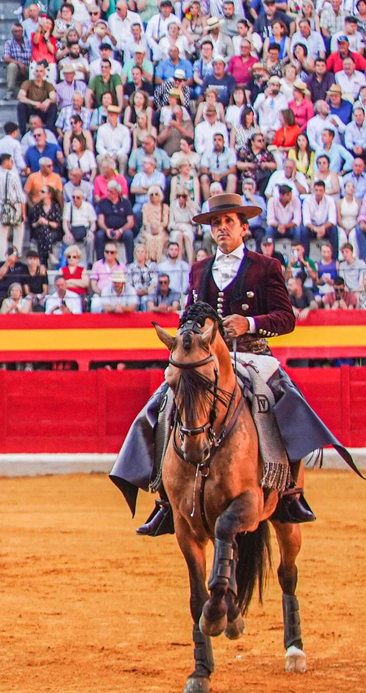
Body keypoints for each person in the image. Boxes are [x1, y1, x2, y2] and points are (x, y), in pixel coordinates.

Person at [112, 192, 361, 537]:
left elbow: (286, 319)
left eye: (229, 222)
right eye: (217, 223)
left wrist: (251, 323)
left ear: (244, 228)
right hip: (207, 358)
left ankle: (289, 492)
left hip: (252, 354)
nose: (222, 228)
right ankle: (164, 497)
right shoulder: (199, 269)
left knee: (280, 402)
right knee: (165, 403)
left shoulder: (266, 266)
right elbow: (189, 313)